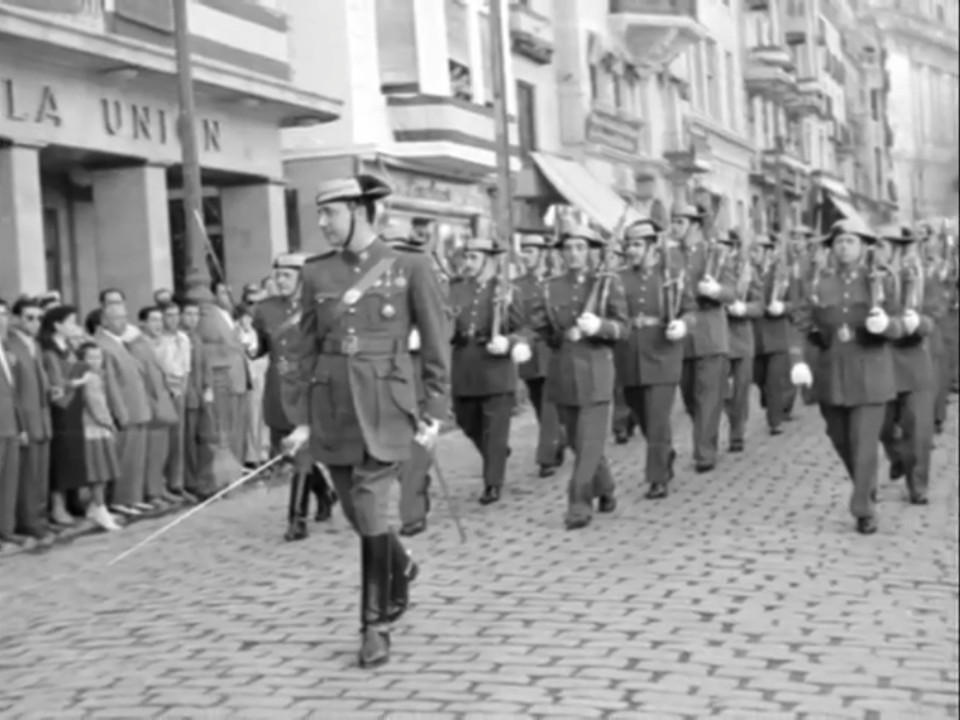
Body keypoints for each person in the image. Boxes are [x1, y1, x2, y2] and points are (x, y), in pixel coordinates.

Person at [285, 174, 450, 668]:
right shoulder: (315, 274)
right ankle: (398, 562)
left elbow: (437, 341)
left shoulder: (409, 266)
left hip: (386, 404)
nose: (321, 223)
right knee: (357, 513)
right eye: (319, 213)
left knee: (372, 507)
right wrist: (299, 419)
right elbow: (299, 351)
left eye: (330, 213)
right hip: (332, 407)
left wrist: (436, 410)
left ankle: (374, 625)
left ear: (359, 210)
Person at [789, 219, 904, 535]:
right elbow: (800, 322)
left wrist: (887, 325)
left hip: (870, 368)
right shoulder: (819, 283)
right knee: (840, 439)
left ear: (865, 246)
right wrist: (797, 359)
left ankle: (863, 510)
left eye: (851, 240)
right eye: (838, 241)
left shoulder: (880, 280)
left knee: (863, 442)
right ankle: (865, 486)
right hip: (831, 371)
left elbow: (902, 320)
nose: (843, 246)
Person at [527, 220, 629, 530]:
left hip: (596, 371)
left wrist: (600, 327)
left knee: (588, 443)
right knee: (578, 442)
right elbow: (539, 327)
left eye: (581, 248)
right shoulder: (549, 287)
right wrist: (520, 342)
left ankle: (578, 505)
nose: (574, 254)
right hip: (564, 373)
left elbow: (623, 328)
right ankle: (606, 487)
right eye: (569, 248)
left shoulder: (608, 283)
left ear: (592, 252)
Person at [252, 252, 335, 542]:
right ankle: (325, 494)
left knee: (302, 455)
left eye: (286, 275)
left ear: (303, 277)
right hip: (277, 389)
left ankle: (296, 520)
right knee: (285, 449)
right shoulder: (264, 310)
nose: (280, 281)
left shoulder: (319, 309)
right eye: (277, 275)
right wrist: (249, 345)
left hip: (306, 388)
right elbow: (261, 347)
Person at [616, 219, 695, 500]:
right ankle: (664, 453)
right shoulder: (619, 278)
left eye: (637, 245)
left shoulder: (670, 276)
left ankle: (656, 478)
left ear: (652, 248)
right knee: (644, 417)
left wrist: (683, 324)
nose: (631, 251)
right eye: (629, 245)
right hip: (629, 356)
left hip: (663, 354)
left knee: (658, 418)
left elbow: (689, 309)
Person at [448, 237, 529, 506]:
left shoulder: (506, 290)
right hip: (465, 365)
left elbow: (524, 329)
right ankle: (495, 453)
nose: (468, 263)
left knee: (495, 429)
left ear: (488, 260)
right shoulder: (455, 288)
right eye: (466, 257)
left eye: (474, 257)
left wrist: (510, 342)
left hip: (495, 368)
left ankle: (492, 483)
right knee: (465, 419)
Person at [673, 204, 736, 473]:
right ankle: (705, 437)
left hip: (711, 334)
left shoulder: (715, 253)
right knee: (690, 397)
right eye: (673, 221)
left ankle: (704, 452)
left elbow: (732, 292)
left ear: (695, 225)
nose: (674, 227)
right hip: (683, 337)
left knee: (708, 397)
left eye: (679, 222)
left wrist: (717, 289)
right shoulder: (671, 257)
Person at [877, 226, 937, 505]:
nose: (880, 249)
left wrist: (919, 323)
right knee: (883, 427)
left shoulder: (921, 276)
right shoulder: (872, 279)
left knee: (918, 430)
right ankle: (897, 457)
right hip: (882, 360)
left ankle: (918, 485)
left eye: (887, 244)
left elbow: (936, 311)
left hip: (913, 361)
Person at [40, 306, 97, 527]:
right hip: (61, 411)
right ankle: (57, 505)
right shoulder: (50, 352)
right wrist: (78, 381)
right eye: (71, 322)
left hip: (74, 408)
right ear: (58, 325)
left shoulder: (68, 349)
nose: (75, 326)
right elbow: (56, 384)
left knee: (73, 457)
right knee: (62, 459)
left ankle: (73, 501)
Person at [514, 231, 565, 477]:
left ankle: (546, 457)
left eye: (531, 251)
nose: (526, 256)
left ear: (542, 254)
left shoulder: (554, 281)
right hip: (527, 354)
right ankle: (559, 438)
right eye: (523, 251)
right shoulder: (517, 285)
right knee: (538, 403)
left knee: (549, 404)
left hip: (550, 350)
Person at [96, 300, 152, 517]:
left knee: (136, 457)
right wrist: (120, 412)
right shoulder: (104, 345)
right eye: (118, 318)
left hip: (137, 405)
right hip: (125, 409)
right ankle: (120, 498)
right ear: (105, 321)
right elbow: (110, 383)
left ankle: (132, 497)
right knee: (124, 456)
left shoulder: (120, 343)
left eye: (124, 317)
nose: (123, 322)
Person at [7, 298, 53, 544]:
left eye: (39, 318)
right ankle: (28, 522)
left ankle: (40, 517)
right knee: (28, 477)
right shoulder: (11, 347)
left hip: (43, 418)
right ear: (16, 319)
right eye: (29, 318)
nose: (35, 323)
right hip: (25, 420)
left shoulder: (35, 345)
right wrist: (20, 423)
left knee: (41, 475)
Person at [721, 230, 764, 453]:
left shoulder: (747, 273)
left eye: (728, 246)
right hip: (716, 340)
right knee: (718, 390)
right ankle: (730, 415)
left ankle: (737, 433)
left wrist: (744, 308)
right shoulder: (708, 272)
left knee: (741, 391)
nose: (724, 250)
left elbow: (760, 305)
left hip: (741, 338)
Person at [75, 342, 123, 531]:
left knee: (102, 472)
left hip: (99, 427)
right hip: (93, 429)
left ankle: (97, 506)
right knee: (98, 472)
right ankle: (99, 507)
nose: (96, 362)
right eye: (91, 358)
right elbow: (96, 405)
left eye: (98, 357)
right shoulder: (89, 379)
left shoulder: (97, 376)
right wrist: (109, 423)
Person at [753, 234, 798, 435]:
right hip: (754, 335)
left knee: (774, 381)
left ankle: (775, 421)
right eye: (752, 250)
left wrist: (783, 306)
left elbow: (795, 301)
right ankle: (771, 403)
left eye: (758, 250)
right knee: (760, 379)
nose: (754, 255)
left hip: (776, 334)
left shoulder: (779, 273)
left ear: (768, 252)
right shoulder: (746, 273)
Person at [0, 298, 24, 552]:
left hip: (9, 425)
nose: (2, 320)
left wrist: (20, 424)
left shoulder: (6, 352)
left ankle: (6, 530)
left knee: (9, 481)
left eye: (4, 314)